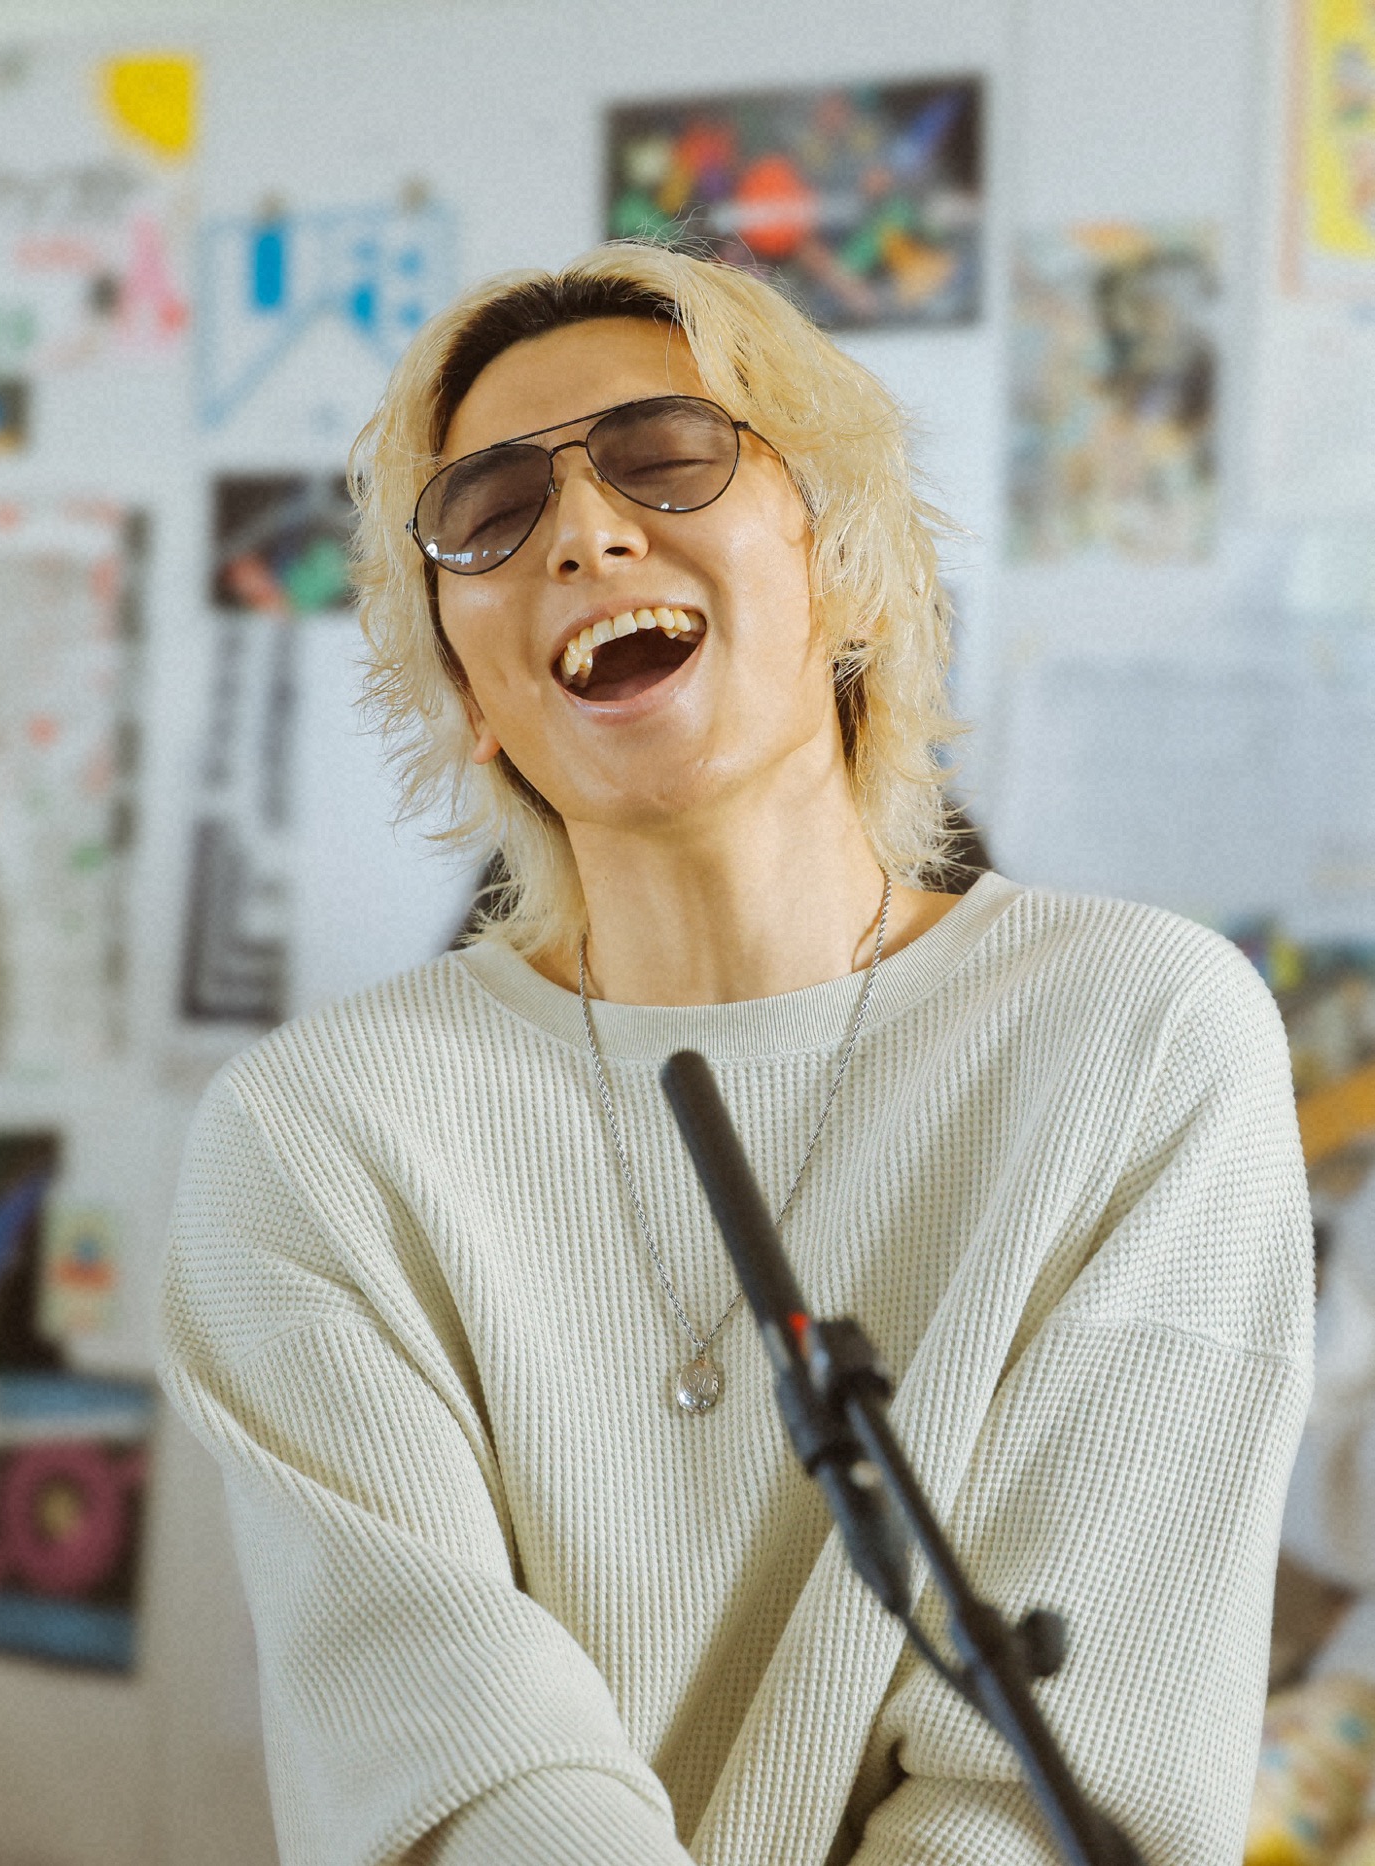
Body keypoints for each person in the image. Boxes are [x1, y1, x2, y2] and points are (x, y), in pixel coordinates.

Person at [158, 242, 1313, 1866]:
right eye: (489, 510)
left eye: (666, 453)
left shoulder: (1140, 1036)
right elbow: (464, 1780)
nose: (583, 529)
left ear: (842, 563)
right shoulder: (316, 1136)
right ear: (470, 683)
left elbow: (1058, 1779)